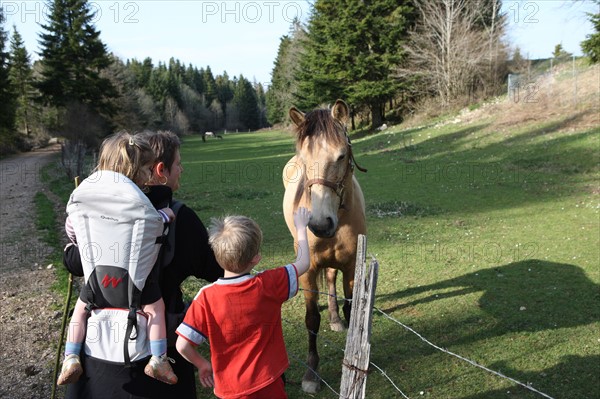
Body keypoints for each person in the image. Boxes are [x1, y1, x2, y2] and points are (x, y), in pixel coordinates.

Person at [63, 130, 224, 399]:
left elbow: (73, 260)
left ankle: (70, 357)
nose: (181, 170)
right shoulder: (177, 218)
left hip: (96, 355)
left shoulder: (92, 211)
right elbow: (217, 270)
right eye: (178, 165)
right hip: (157, 361)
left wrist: (71, 246)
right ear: (157, 171)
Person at [58, 132, 177, 386]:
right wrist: (168, 214)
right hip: (136, 283)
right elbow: (157, 225)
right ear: (136, 170)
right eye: (146, 168)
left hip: (96, 280)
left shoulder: (86, 199)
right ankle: (158, 359)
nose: (148, 175)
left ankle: (70, 357)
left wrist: (78, 243)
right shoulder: (142, 205)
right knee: (155, 309)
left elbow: (72, 225)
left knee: (80, 311)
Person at [175, 207, 312, 399]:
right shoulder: (268, 284)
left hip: (230, 390)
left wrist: (202, 364)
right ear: (256, 258)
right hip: (269, 382)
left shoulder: (205, 298)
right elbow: (304, 262)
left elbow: (182, 345)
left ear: (216, 255)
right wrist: (300, 228)